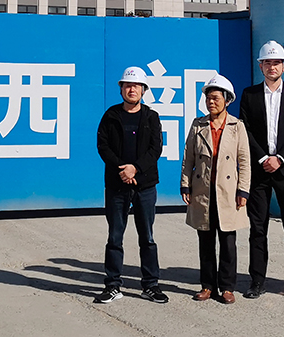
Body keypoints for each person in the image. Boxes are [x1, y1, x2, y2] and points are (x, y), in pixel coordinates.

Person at [239, 40, 284, 302]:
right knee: (258, 229)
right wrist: (262, 158)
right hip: (259, 171)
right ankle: (257, 281)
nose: (272, 67)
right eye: (267, 62)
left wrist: (279, 158)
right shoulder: (249, 94)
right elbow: (245, 129)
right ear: (261, 66)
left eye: (277, 62)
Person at [94, 66, 168, 304]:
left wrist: (135, 168)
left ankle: (150, 285)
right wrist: (123, 170)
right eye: (127, 85)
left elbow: (155, 149)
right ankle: (113, 285)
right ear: (121, 89)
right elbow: (103, 146)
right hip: (117, 186)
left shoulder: (151, 117)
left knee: (147, 237)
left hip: (145, 186)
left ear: (144, 90)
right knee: (115, 237)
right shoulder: (110, 115)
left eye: (136, 86)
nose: (132, 89)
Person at [181, 73, 251, 304]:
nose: (211, 102)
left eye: (216, 98)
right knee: (206, 240)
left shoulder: (237, 126)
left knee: (228, 242)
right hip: (203, 190)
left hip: (228, 192)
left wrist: (243, 190)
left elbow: (244, 161)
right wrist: (185, 184)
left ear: (227, 100)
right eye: (208, 98)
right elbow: (188, 158)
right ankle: (207, 286)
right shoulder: (198, 125)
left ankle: (228, 287)